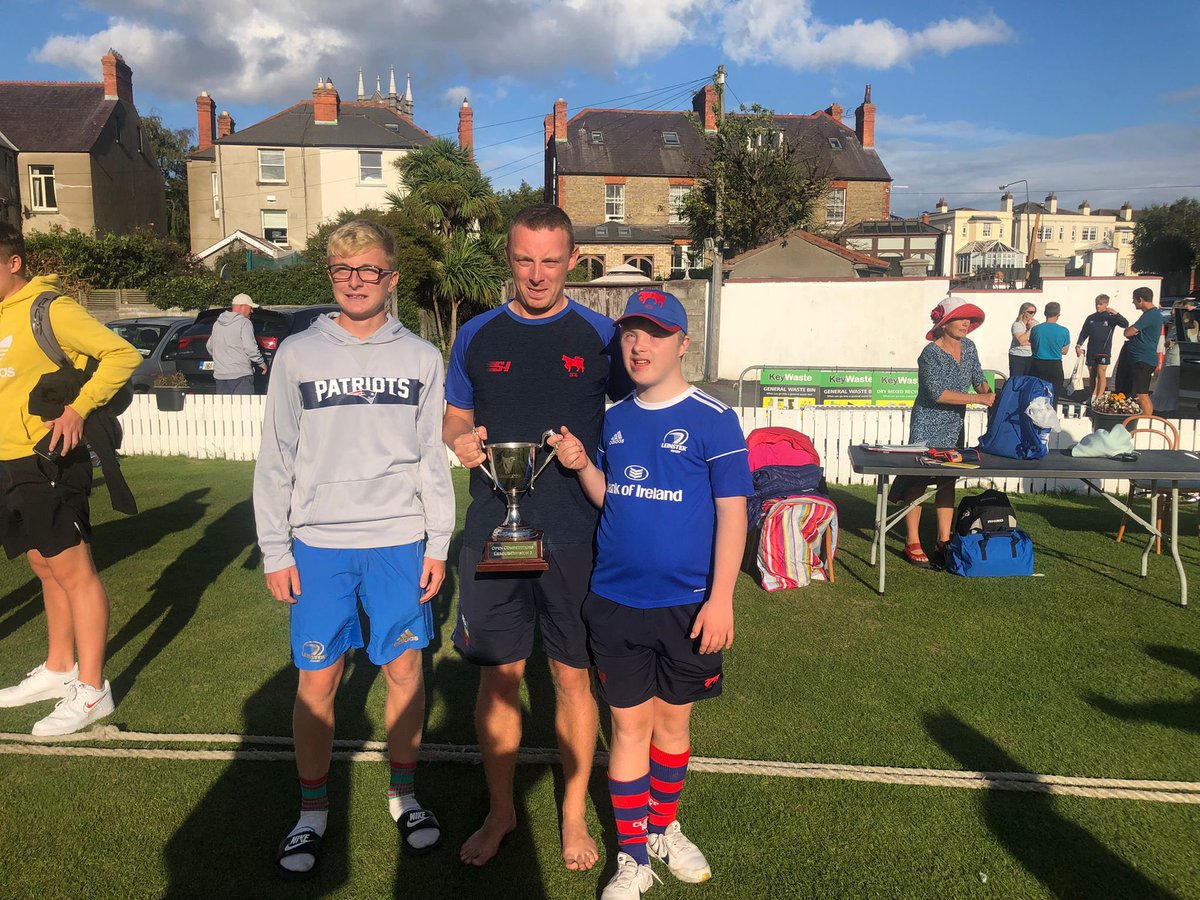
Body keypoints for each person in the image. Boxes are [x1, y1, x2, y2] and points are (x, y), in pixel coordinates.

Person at [253, 220, 454, 880]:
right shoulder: (300, 354)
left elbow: (431, 457)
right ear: (330, 277)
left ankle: (405, 794)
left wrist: (438, 541)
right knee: (319, 679)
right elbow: (276, 455)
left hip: (399, 540)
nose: (357, 281)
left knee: (403, 672)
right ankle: (312, 813)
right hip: (319, 544)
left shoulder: (421, 357)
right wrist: (276, 549)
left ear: (391, 278)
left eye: (370, 270)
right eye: (344, 270)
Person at [443, 204, 628, 871]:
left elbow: (638, 414)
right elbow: (455, 415)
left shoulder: (604, 336)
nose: (538, 273)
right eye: (525, 259)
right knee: (499, 681)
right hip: (495, 530)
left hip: (578, 534)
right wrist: (458, 441)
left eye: (551, 260)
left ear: (572, 261)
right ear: (508, 259)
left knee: (573, 680)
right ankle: (501, 812)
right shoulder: (478, 334)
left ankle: (573, 817)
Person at [552, 290, 751, 899]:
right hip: (615, 601)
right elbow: (613, 497)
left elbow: (734, 516)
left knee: (673, 728)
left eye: (655, 334)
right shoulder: (614, 418)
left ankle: (665, 825)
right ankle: (632, 857)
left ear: (682, 344)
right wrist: (585, 464)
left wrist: (721, 600)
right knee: (629, 728)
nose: (639, 346)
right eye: (631, 334)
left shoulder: (714, 418)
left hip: (690, 605)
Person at [0, 223, 141, 735]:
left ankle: (92, 688)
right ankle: (59, 668)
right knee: (43, 565)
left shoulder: (50, 308)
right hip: (7, 462)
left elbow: (123, 355)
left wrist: (79, 408)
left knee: (74, 571)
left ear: (14, 261)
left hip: (49, 460)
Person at [891, 296, 994, 568]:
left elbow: (978, 378)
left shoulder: (969, 347)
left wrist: (989, 392)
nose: (965, 323)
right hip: (927, 422)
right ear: (944, 323)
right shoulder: (929, 354)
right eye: (960, 318)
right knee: (918, 480)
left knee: (948, 480)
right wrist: (977, 400)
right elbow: (937, 394)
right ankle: (912, 540)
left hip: (954, 424)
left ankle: (943, 540)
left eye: (968, 319)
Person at [207, 292, 267, 394]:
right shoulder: (245, 323)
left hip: (220, 376)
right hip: (241, 375)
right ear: (242, 307)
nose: (251, 311)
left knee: (225, 409)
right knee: (243, 408)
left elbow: (209, 346)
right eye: (250, 307)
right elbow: (250, 348)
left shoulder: (218, 323)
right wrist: (261, 363)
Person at [1074, 294, 1128, 403]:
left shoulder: (1111, 317)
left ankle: (1099, 397)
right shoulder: (1091, 318)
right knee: (1092, 375)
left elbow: (1125, 324)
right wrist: (1078, 345)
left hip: (1104, 350)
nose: (1098, 306)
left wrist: (1116, 313)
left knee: (1101, 373)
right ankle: (1092, 395)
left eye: (1100, 304)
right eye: (1096, 304)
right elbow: (1084, 333)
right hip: (1092, 350)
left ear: (1106, 304)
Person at [1124, 286, 1164, 417]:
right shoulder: (1149, 314)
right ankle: (1140, 418)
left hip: (1143, 359)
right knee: (1136, 394)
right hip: (1139, 358)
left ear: (1140, 299)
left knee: (1142, 394)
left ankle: (1147, 422)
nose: (1133, 302)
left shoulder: (1151, 314)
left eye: (1134, 299)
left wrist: (1130, 332)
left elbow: (1128, 332)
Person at [1028, 301, 1070, 399]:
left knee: (1037, 395)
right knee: (1053, 395)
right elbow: (1065, 351)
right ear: (1058, 315)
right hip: (1055, 364)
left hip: (1038, 364)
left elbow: (1033, 347)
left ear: (1045, 313)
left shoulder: (1036, 329)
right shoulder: (1064, 330)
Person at [1008, 302, 1037, 379]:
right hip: (1018, 356)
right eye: (1030, 312)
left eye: (1034, 312)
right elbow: (1021, 341)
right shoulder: (1017, 325)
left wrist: (1028, 342)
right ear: (1024, 312)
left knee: (1029, 380)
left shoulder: (1036, 324)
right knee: (1017, 380)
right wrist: (1029, 329)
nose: (1033, 314)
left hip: (1031, 355)